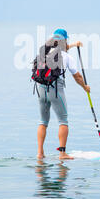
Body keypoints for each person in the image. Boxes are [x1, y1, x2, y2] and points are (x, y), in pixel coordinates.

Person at [36, 29, 90, 160]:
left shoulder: (44, 52)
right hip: (56, 91)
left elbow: (62, 49)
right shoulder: (67, 57)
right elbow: (77, 77)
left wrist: (73, 45)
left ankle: (40, 153)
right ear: (64, 40)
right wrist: (85, 87)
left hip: (41, 89)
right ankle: (62, 153)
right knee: (63, 121)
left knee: (43, 121)